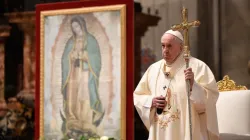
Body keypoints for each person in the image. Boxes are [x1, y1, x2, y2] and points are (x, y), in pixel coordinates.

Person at [134, 30, 219, 140]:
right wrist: (151, 102)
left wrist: (194, 85)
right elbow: (138, 96)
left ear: (181, 47)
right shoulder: (153, 69)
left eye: (169, 46)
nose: (165, 50)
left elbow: (209, 101)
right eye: (163, 46)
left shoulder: (197, 67)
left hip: (187, 131)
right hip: (161, 132)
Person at [61, 16, 104, 138]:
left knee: (84, 95)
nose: (76, 29)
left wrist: (84, 55)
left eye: (77, 26)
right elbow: (64, 58)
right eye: (73, 27)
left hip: (85, 73)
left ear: (82, 26)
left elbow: (96, 58)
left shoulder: (91, 40)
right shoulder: (71, 42)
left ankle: (85, 122)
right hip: (73, 73)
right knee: (72, 96)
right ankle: (73, 121)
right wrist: (71, 56)